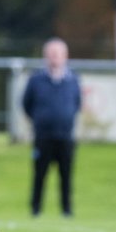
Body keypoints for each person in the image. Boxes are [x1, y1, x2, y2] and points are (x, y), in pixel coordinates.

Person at [22, 37, 82, 217]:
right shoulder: (36, 80)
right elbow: (26, 104)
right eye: (51, 54)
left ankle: (66, 210)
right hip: (43, 137)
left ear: (65, 56)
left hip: (65, 136)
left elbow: (77, 103)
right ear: (45, 56)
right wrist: (40, 120)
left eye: (58, 53)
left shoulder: (73, 80)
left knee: (66, 176)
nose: (54, 57)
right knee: (40, 174)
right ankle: (36, 209)